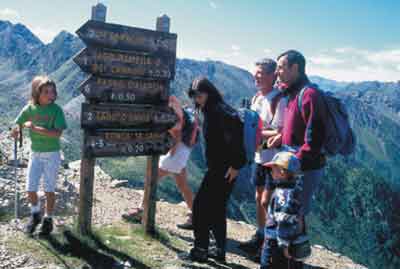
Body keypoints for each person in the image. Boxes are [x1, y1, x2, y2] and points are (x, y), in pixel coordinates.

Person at [187, 77, 246, 263]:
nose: (197, 98)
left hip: (222, 168)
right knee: (217, 209)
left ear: (209, 92)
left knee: (200, 207)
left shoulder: (219, 111)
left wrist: (237, 164)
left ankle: (200, 250)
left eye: (200, 94)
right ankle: (219, 251)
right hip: (224, 167)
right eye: (193, 95)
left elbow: (236, 137)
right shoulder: (214, 109)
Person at [273, 50, 327, 237]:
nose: (277, 72)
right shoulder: (293, 93)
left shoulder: (309, 95)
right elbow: (297, 129)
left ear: (294, 68)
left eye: (280, 67)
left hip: (301, 167)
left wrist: (292, 164)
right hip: (292, 164)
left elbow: (315, 140)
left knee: (292, 218)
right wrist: (281, 137)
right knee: (289, 216)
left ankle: (290, 261)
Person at [122, 96, 198, 229]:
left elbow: (177, 131)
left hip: (178, 150)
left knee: (151, 178)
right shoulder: (172, 103)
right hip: (183, 149)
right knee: (182, 186)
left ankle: (142, 211)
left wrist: (172, 151)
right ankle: (198, 216)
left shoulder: (170, 106)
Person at [239, 58, 287, 257]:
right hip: (259, 155)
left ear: (272, 75)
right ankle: (261, 235)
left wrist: (254, 132)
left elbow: (280, 131)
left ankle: (271, 242)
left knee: (268, 201)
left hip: (273, 159)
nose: (256, 76)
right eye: (255, 72)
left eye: (260, 73)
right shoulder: (257, 98)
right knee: (258, 197)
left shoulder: (279, 100)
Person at [10, 76, 67, 236]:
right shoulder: (30, 108)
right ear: (37, 93)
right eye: (46, 92)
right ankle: (35, 215)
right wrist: (15, 130)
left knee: (49, 189)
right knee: (30, 188)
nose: (51, 95)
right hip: (35, 154)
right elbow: (17, 123)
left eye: (53, 92)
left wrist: (34, 128)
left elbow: (57, 133)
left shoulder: (56, 110)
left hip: (52, 154)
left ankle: (48, 220)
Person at [260, 152, 310, 269]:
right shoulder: (295, 190)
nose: (271, 172)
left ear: (282, 172)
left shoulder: (283, 194)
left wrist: (284, 245)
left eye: (273, 169)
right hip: (291, 241)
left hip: (278, 243)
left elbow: (285, 221)